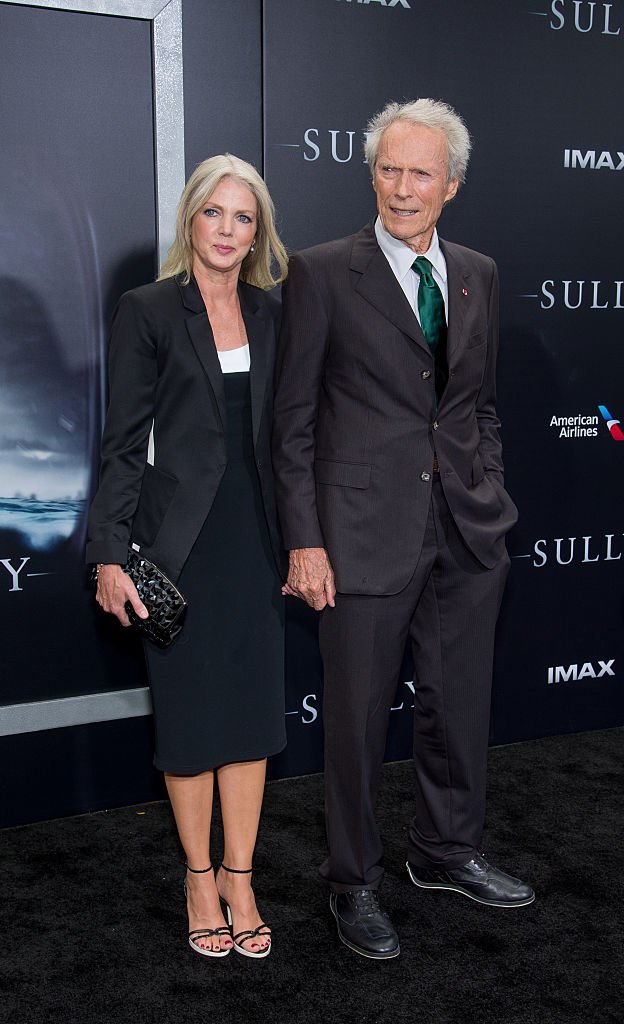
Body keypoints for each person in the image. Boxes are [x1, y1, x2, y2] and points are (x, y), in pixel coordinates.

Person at [272, 99, 534, 960]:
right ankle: (353, 882)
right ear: (371, 173)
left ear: (451, 185)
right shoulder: (319, 272)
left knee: (457, 707)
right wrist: (306, 541)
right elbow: (294, 423)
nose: (403, 187)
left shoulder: (479, 273)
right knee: (353, 722)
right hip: (357, 535)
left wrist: (488, 493)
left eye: (422, 173)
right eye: (389, 168)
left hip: (465, 529)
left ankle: (445, 851)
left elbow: (478, 406)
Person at [87, 154, 288, 960]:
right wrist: (109, 555)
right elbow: (123, 444)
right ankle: (198, 876)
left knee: (248, 717)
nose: (228, 231)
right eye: (215, 214)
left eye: (244, 218)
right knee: (193, 720)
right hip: (181, 544)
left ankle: (242, 875)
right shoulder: (149, 309)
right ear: (191, 219)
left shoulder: (275, 313)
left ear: (258, 230)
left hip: (259, 539)